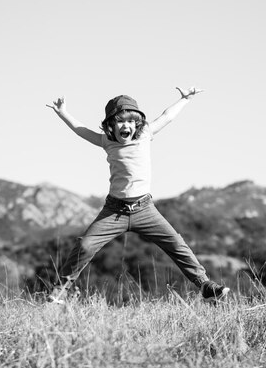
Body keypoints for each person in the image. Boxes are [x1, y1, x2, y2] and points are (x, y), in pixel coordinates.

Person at [45, 88, 229, 304]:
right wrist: (63, 113)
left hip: (144, 209)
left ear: (137, 124)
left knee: (177, 244)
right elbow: (81, 130)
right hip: (114, 211)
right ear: (111, 125)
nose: (126, 126)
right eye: (120, 121)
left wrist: (184, 99)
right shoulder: (106, 141)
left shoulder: (145, 134)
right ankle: (59, 292)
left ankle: (206, 287)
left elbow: (167, 116)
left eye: (131, 121)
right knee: (85, 246)